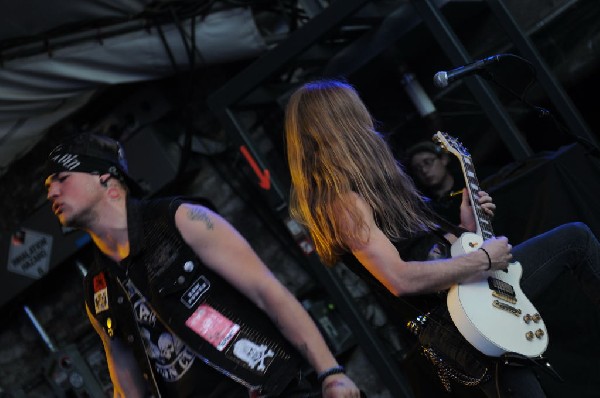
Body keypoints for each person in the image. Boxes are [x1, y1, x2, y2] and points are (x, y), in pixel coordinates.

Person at [284, 79, 600, 398]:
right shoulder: (343, 202)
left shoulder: (378, 185)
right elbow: (398, 278)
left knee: (576, 239)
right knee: (575, 239)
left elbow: (428, 251)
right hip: (452, 323)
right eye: (358, 112)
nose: (369, 123)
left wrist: (467, 228)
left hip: (470, 298)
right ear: (344, 123)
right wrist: (483, 259)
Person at [44, 132, 361, 398]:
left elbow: (268, 292)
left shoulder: (180, 219)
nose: (52, 192)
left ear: (104, 176)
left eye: (62, 178)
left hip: (264, 388)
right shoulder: (98, 286)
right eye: (48, 186)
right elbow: (123, 372)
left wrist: (330, 372)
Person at [405, 141, 463, 225]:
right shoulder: (424, 208)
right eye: (417, 168)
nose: (424, 170)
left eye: (428, 162)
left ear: (444, 159)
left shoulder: (470, 185)